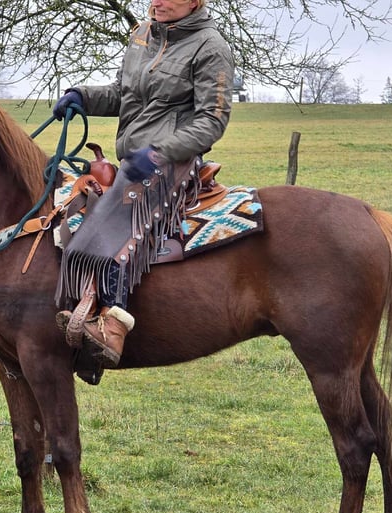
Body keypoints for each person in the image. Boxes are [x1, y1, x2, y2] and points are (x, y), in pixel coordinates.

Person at [53, 0, 234, 372]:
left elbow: (211, 121)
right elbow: (124, 93)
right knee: (77, 218)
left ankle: (112, 327)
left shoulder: (210, 46)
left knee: (120, 230)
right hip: (133, 162)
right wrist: (82, 96)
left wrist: (159, 153)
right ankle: (79, 313)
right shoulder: (141, 35)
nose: (157, 2)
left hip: (172, 163)